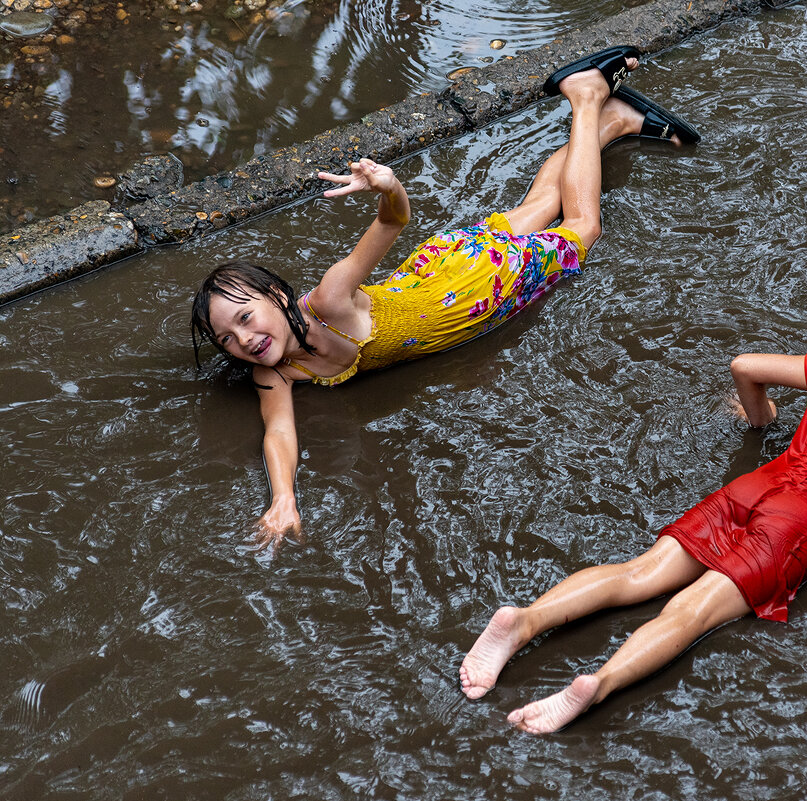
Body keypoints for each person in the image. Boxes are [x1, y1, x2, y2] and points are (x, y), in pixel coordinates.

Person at [189, 46, 700, 553]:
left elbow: (393, 222)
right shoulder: (272, 372)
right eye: (226, 338)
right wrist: (284, 500)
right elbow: (278, 433)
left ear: (278, 296)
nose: (244, 340)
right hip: (443, 264)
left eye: (245, 317)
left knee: (582, 227)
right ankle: (613, 123)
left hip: (481, 288)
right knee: (542, 203)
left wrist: (388, 186)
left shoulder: (330, 299)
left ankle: (587, 98)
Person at [459, 275, 807, 734]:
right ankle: (595, 686)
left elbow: (745, 366)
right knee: (690, 612)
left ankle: (524, 621)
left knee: (639, 573)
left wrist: (761, 419)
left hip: (755, 489)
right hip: (797, 526)